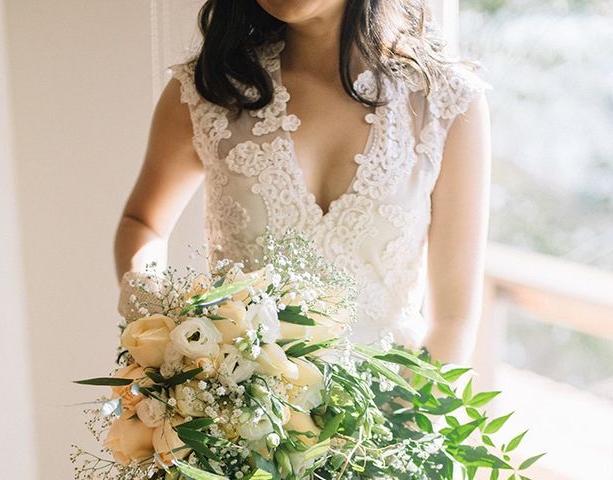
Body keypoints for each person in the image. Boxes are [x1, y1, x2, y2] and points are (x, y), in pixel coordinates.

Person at [113, 0, 492, 365]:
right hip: (237, 415)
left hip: (394, 411)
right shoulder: (207, 92)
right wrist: (159, 327)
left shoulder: (446, 101)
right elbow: (144, 224)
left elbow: (454, 320)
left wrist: (409, 418)